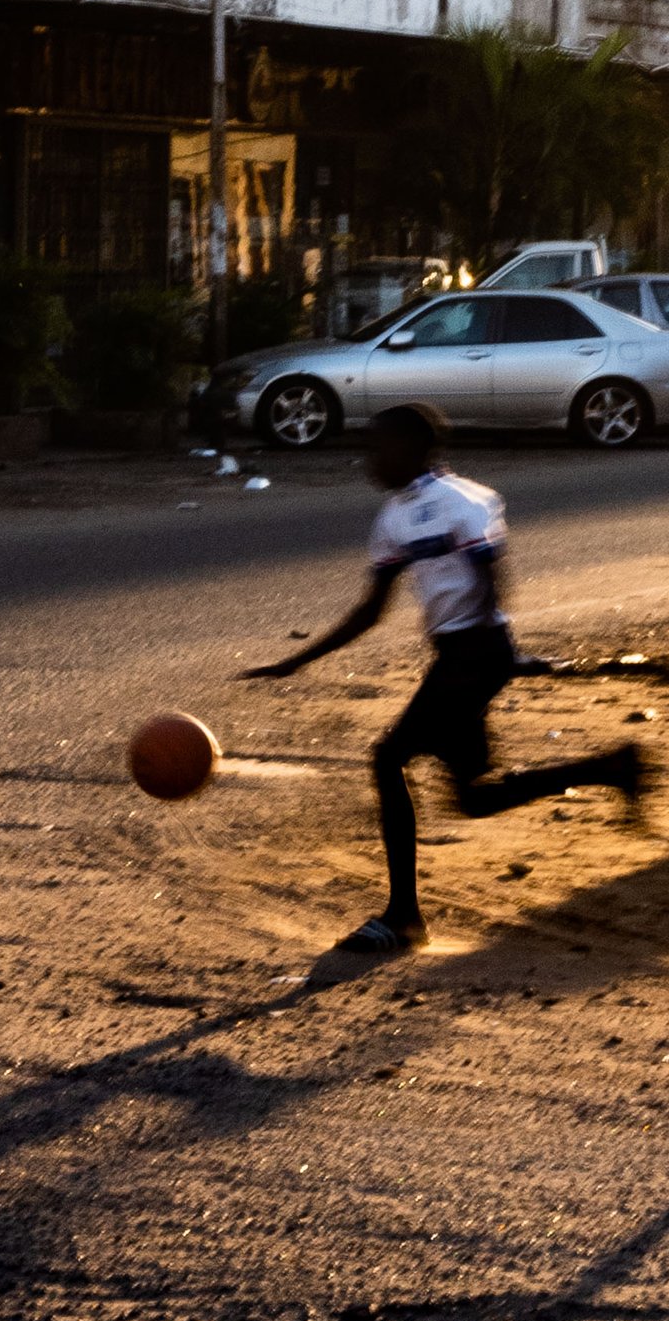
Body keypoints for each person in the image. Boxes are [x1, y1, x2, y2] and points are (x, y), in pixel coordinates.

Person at [245, 400, 644, 957]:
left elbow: (493, 577)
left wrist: (491, 649)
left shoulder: (462, 501)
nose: (370, 459)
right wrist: (299, 660)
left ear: (414, 448)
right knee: (474, 800)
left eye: (379, 446)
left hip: (474, 654)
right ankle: (610, 767)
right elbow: (372, 609)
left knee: (388, 758)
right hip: (462, 656)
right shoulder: (394, 516)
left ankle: (403, 918)